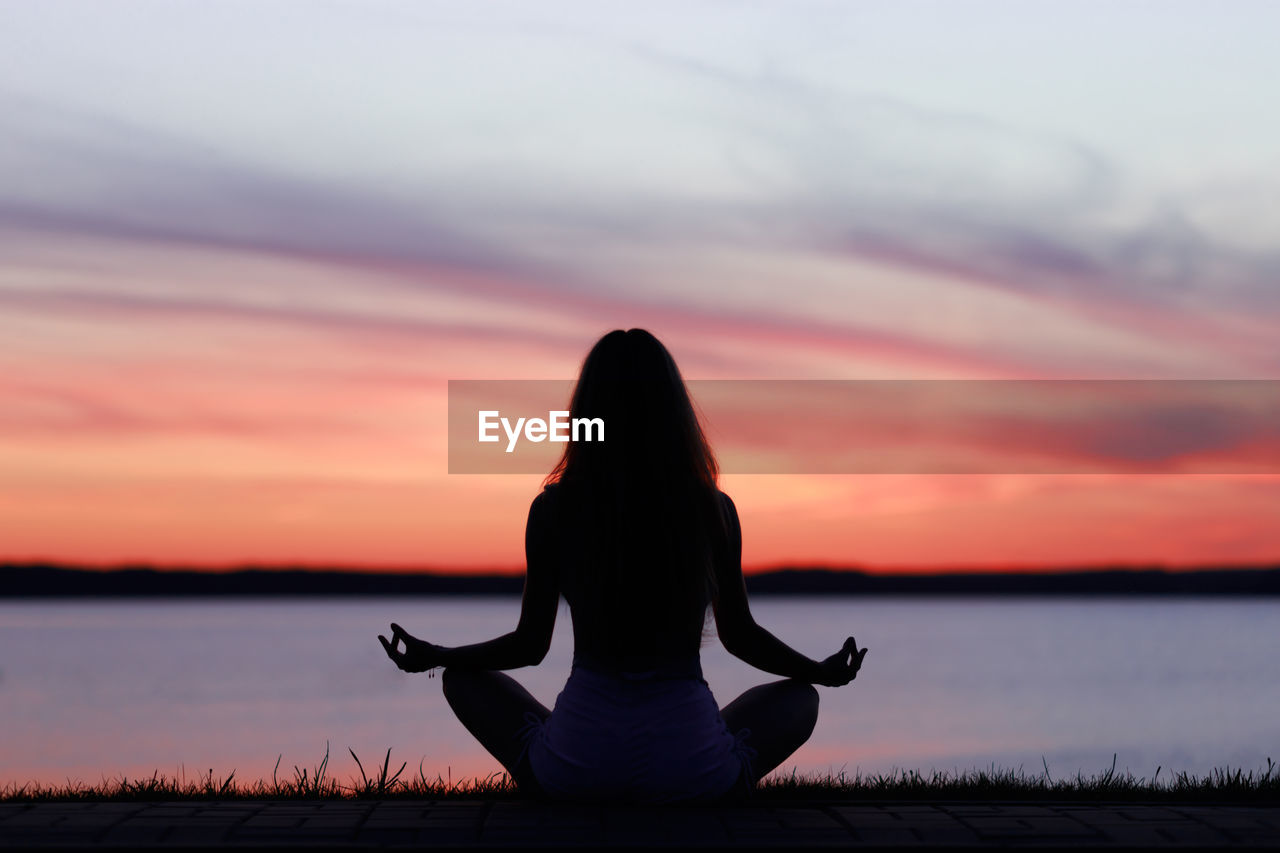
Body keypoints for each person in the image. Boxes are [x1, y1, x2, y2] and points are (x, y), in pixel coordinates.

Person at [380, 329, 868, 802]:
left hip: (578, 763)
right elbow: (740, 636)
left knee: (460, 678)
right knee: (802, 700)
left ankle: (554, 768)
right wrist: (816, 671)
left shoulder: (553, 510)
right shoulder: (712, 509)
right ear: (674, 411)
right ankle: (713, 772)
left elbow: (530, 646)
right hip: (693, 766)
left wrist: (440, 653)